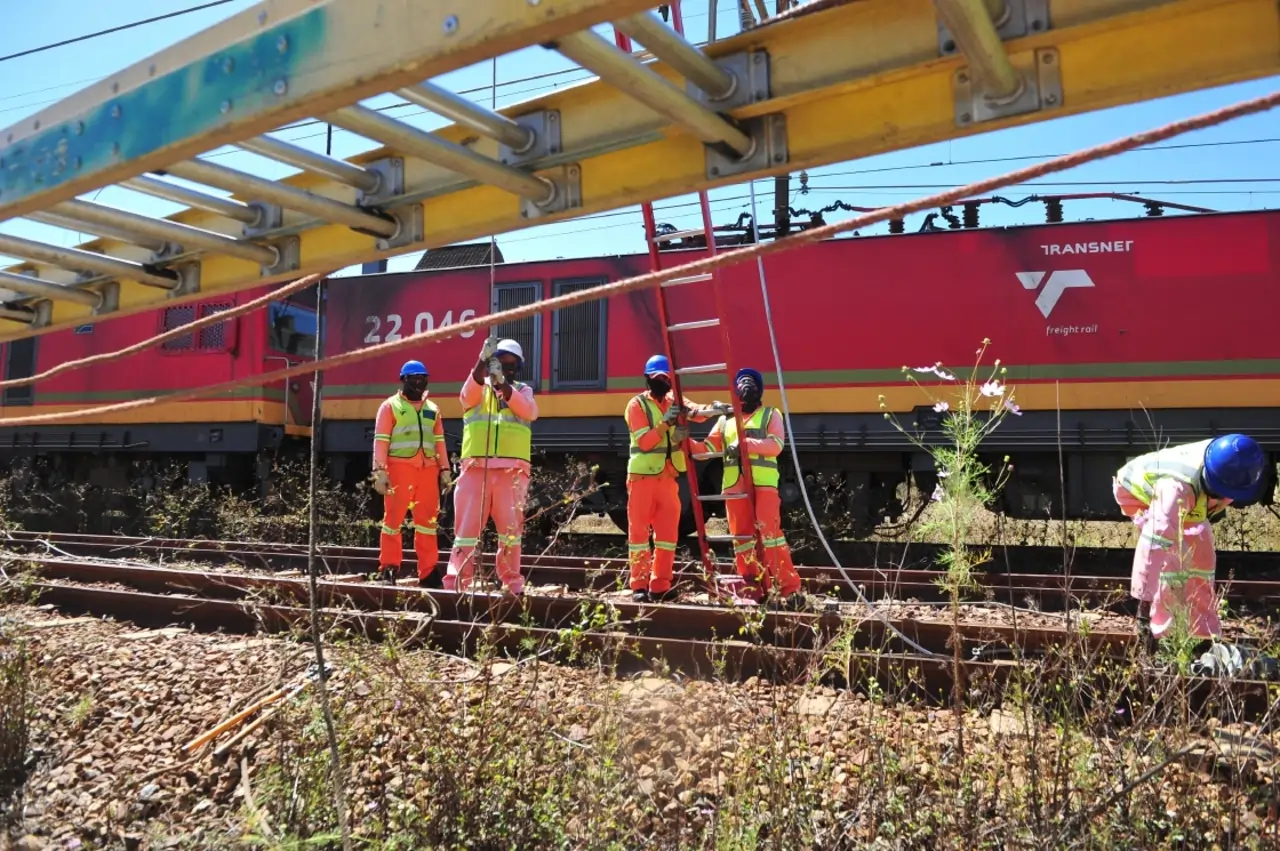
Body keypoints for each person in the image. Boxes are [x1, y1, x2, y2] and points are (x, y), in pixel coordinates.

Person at [1113, 434, 1267, 648]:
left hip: (1191, 499)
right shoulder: (1174, 488)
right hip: (1137, 495)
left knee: (1202, 558)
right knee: (1173, 561)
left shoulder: (1228, 462)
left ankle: (1203, 634)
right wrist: (1142, 610)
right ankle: (1164, 635)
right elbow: (1153, 546)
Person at [690, 367, 804, 609]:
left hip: (763, 485)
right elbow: (705, 451)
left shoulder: (771, 415)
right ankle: (752, 585)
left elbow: (776, 445)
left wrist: (744, 444)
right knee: (742, 538)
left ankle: (789, 589)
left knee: (771, 535)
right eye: (742, 382)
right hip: (735, 487)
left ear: (760, 389)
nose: (747, 387)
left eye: (751, 382)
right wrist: (684, 439)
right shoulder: (725, 421)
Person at [624, 354, 725, 603]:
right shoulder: (636, 405)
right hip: (642, 479)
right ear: (648, 378)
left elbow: (696, 413)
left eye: (667, 378)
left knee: (668, 536)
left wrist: (714, 409)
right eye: (659, 378)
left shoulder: (673, 399)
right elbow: (645, 442)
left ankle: (660, 586)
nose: (664, 382)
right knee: (639, 535)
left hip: (668, 479)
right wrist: (666, 423)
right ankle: (639, 586)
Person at [444, 336, 538, 595]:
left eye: (511, 363)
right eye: (500, 361)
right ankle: (456, 586)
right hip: (476, 470)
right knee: (465, 533)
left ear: (518, 367)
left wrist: (504, 386)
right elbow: (465, 397)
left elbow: (530, 411)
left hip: (512, 472)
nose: (506, 367)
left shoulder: (523, 391)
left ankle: (512, 585)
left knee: (510, 534)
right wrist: (480, 362)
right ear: (491, 362)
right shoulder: (477, 387)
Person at [370, 360, 452, 587]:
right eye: (413, 378)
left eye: (422, 377)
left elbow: (440, 442)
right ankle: (388, 568)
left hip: (428, 472)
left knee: (427, 523)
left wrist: (445, 469)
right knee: (393, 521)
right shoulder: (390, 407)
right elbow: (381, 441)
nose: (418, 382)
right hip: (399, 470)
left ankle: (428, 573)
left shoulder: (433, 410)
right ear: (403, 380)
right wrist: (379, 472)